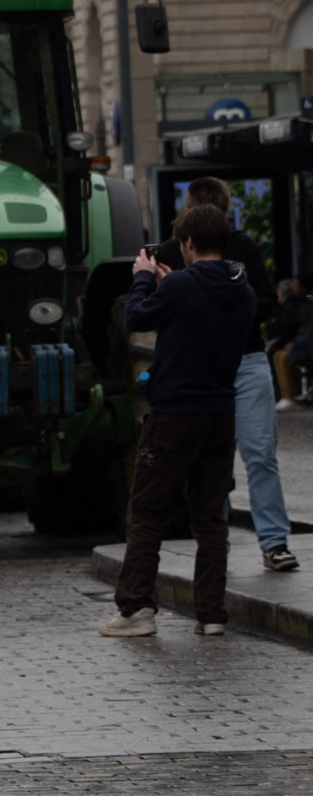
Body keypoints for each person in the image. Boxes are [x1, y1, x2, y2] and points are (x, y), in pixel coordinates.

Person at [104, 205, 256, 637]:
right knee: (210, 516)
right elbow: (208, 319)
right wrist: (175, 285)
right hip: (220, 415)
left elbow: (135, 317)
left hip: (174, 415)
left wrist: (143, 278)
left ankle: (135, 610)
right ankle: (210, 615)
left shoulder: (181, 286)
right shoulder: (241, 289)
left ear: (188, 243)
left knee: (148, 510)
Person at [158, 178, 296, 572]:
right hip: (226, 361)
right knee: (220, 459)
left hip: (242, 359)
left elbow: (267, 299)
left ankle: (271, 541)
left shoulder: (242, 247)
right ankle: (218, 545)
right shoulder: (171, 250)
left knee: (256, 453)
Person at [268, 278, 307, 408]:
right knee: (278, 355)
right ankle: (285, 394)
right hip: (298, 341)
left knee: (282, 356)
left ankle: (289, 395)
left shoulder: (294, 305)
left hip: (302, 343)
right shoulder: (290, 306)